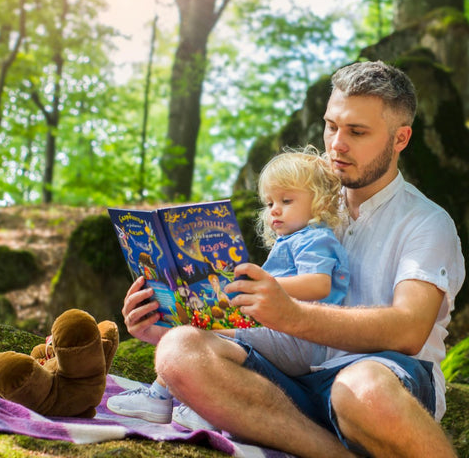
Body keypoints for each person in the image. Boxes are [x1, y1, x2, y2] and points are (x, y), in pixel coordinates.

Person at [121, 61, 465, 457]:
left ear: (400, 138)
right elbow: (267, 321)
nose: (337, 143)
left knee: (362, 387)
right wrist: (167, 320)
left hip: (382, 383)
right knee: (178, 350)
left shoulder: (426, 222)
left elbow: (409, 329)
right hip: (290, 381)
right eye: (332, 125)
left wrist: (290, 314)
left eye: (357, 131)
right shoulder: (305, 203)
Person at [108, 147, 350, 427]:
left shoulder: (316, 238)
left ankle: (166, 399)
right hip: (280, 334)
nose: (275, 210)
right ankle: (185, 402)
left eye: (286, 200)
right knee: (198, 331)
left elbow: (319, 284)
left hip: (299, 340)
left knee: (204, 336)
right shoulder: (294, 240)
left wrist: (264, 285)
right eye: (269, 203)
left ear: (320, 202)